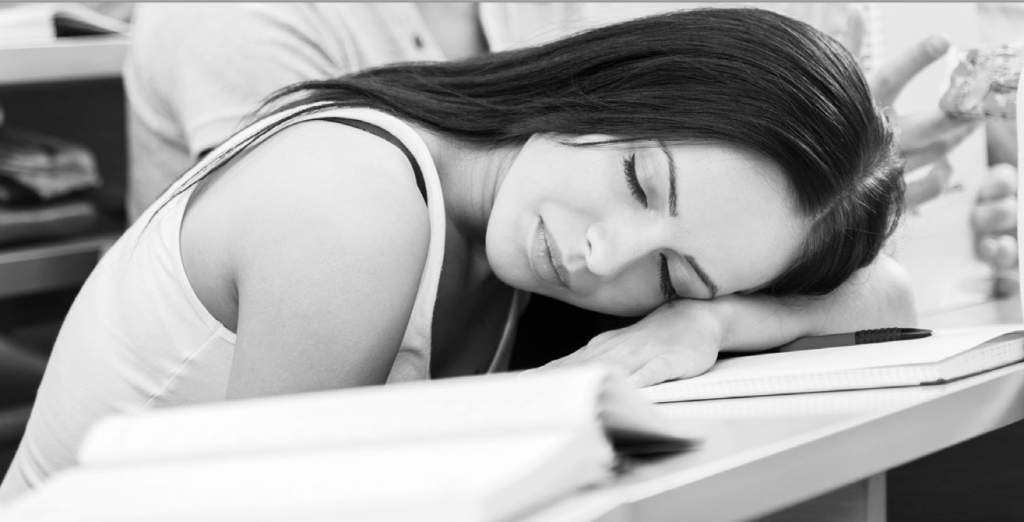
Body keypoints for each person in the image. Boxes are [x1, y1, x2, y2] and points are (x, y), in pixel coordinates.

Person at [1, 7, 912, 498]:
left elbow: (889, 298)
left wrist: (708, 317)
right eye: (640, 180)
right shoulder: (355, 203)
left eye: (670, 269)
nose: (605, 257)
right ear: (610, 83)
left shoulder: (503, 218)